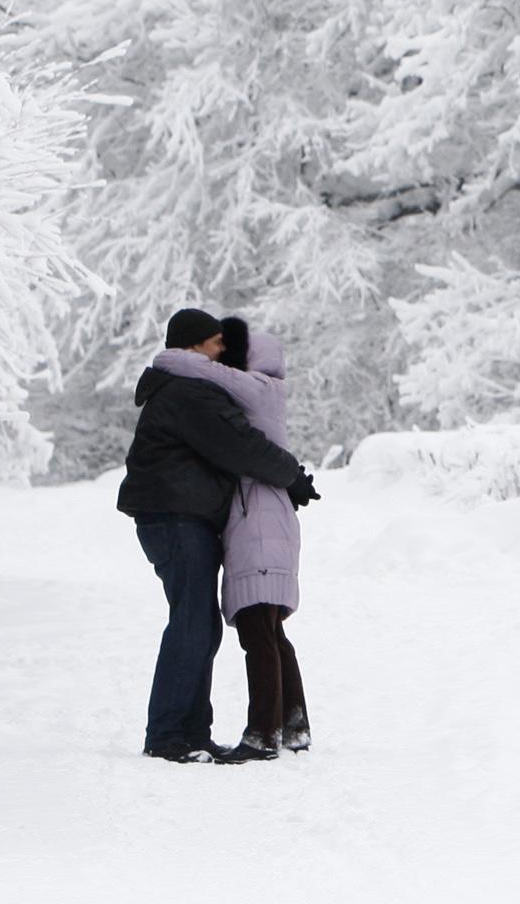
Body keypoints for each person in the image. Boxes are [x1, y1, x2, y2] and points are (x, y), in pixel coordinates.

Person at [114, 307, 317, 763]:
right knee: (193, 621)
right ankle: (170, 734)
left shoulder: (188, 388)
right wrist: (292, 475)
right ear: (195, 346)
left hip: (180, 515)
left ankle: (188, 731)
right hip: (176, 516)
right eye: (216, 342)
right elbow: (239, 444)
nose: (222, 349)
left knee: (200, 622)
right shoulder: (187, 392)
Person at [211, 315, 310, 759]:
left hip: (261, 523)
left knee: (258, 632)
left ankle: (262, 735)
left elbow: (204, 373)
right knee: (270, 630)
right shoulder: (262, 394)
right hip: (267, 519)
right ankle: (293, 727)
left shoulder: (261, 389)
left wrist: (172, 359)